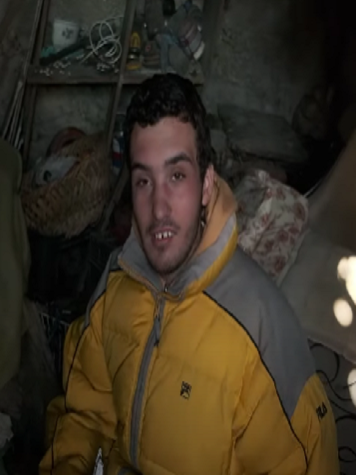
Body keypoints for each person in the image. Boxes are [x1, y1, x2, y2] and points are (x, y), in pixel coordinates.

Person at [39, 74, 339, 475]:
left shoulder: (262, 329)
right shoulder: (114, 284)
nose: (158, 207)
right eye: (144, 181)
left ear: (206, 185)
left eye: (177, 176)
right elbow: (84, 413)